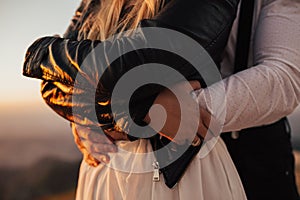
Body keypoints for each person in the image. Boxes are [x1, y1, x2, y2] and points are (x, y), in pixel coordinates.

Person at [22, 0, 300, 200]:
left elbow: (283, 77)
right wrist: (108, 112)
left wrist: (187, 109)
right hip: (108, 163)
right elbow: (56, 81)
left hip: (221, 158)